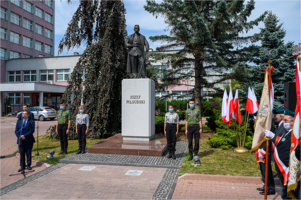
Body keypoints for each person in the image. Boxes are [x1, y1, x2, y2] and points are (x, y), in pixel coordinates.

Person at [265, 110, 299, 199]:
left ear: (292, 122)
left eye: (286, 120)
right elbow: (280, 142)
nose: (283, 122)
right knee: (284, 189)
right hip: (281, 166)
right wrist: (273, 137)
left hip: (287, 166)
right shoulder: (287, 132)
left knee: (289, 191)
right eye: (283, 120)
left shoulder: (295, 134)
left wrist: (273, 137)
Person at [256, 108, 284, 195]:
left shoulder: (280, 126)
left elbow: (275, 139)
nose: (274, 117)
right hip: (266, 150)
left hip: (274, 151)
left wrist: (264, 150)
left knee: (268, 170)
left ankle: (271, 188)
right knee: (263, 169)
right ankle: (267, 185)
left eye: (276, 116)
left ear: (281, 116)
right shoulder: (278, 125)